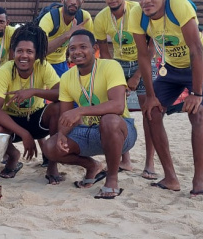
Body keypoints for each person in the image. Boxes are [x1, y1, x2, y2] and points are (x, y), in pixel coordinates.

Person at [130, 0, 203, 197]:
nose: (145, 0)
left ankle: (199, 182)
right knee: (152, 112)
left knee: (196, 112)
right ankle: (170, 177)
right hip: (171, 68)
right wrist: (150, 95)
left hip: (199, 63)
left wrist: (196, 93)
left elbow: (196, 49)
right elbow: (143, 56)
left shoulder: (177, 5)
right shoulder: (137, 15)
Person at [41, 29, 137, 199]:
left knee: (109, 120)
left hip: (121, 132)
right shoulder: (67, 77)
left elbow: (118, 105)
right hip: (88, 132)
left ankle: (112, 179)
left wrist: (81, 110)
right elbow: (65, 116)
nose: (77, 52)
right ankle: (92, 166)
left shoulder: (110, 66)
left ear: (94, 48)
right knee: (50, 146)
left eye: (83, 47)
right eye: (72, 48)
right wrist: (62, 134)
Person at [93, 0, 157, 180]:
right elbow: (104, 52)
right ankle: (125, 160)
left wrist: (138, 75)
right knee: (117, 110)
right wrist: (115, 74)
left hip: (143, 61)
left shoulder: (138, 11)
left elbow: (152, 44)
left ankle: (149, 163)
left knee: (149, 112)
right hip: (118, 63)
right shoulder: (102, 18)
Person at [0, 23, 62, 184]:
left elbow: (61, 94)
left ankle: (52, 165)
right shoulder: (6, 69)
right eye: (20, 51)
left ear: (37, 54)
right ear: (13, 52)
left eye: (29, 51)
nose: (24, 56)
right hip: (13, 121)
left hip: (36, 120)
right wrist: (24, 134)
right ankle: (13, 157)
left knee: (58, 108)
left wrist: (33, 91)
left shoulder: (43, 66)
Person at [38, 0, 95, 77]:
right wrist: (68, 34)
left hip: (60, 63)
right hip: (41, 62)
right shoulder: (50, 18)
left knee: (68, 90)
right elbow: (40, 51)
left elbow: (91, 47)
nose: (73, 1)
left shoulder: (84, 18)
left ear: (82, 1)